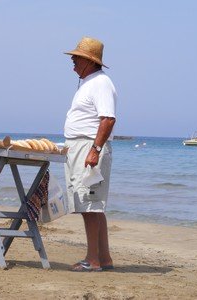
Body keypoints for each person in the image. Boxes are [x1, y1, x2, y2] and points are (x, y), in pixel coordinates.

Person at [63, 37, 117, 272]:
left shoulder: (101, 83)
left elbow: (108, 118)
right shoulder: (88, 82)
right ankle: (103, 258)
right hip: (81, 147)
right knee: (92, 205)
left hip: (89, 148)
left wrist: (94, 150)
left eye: (76, 58)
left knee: (89, 204)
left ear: (88, 61)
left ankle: (93, 260)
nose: (72, 62)